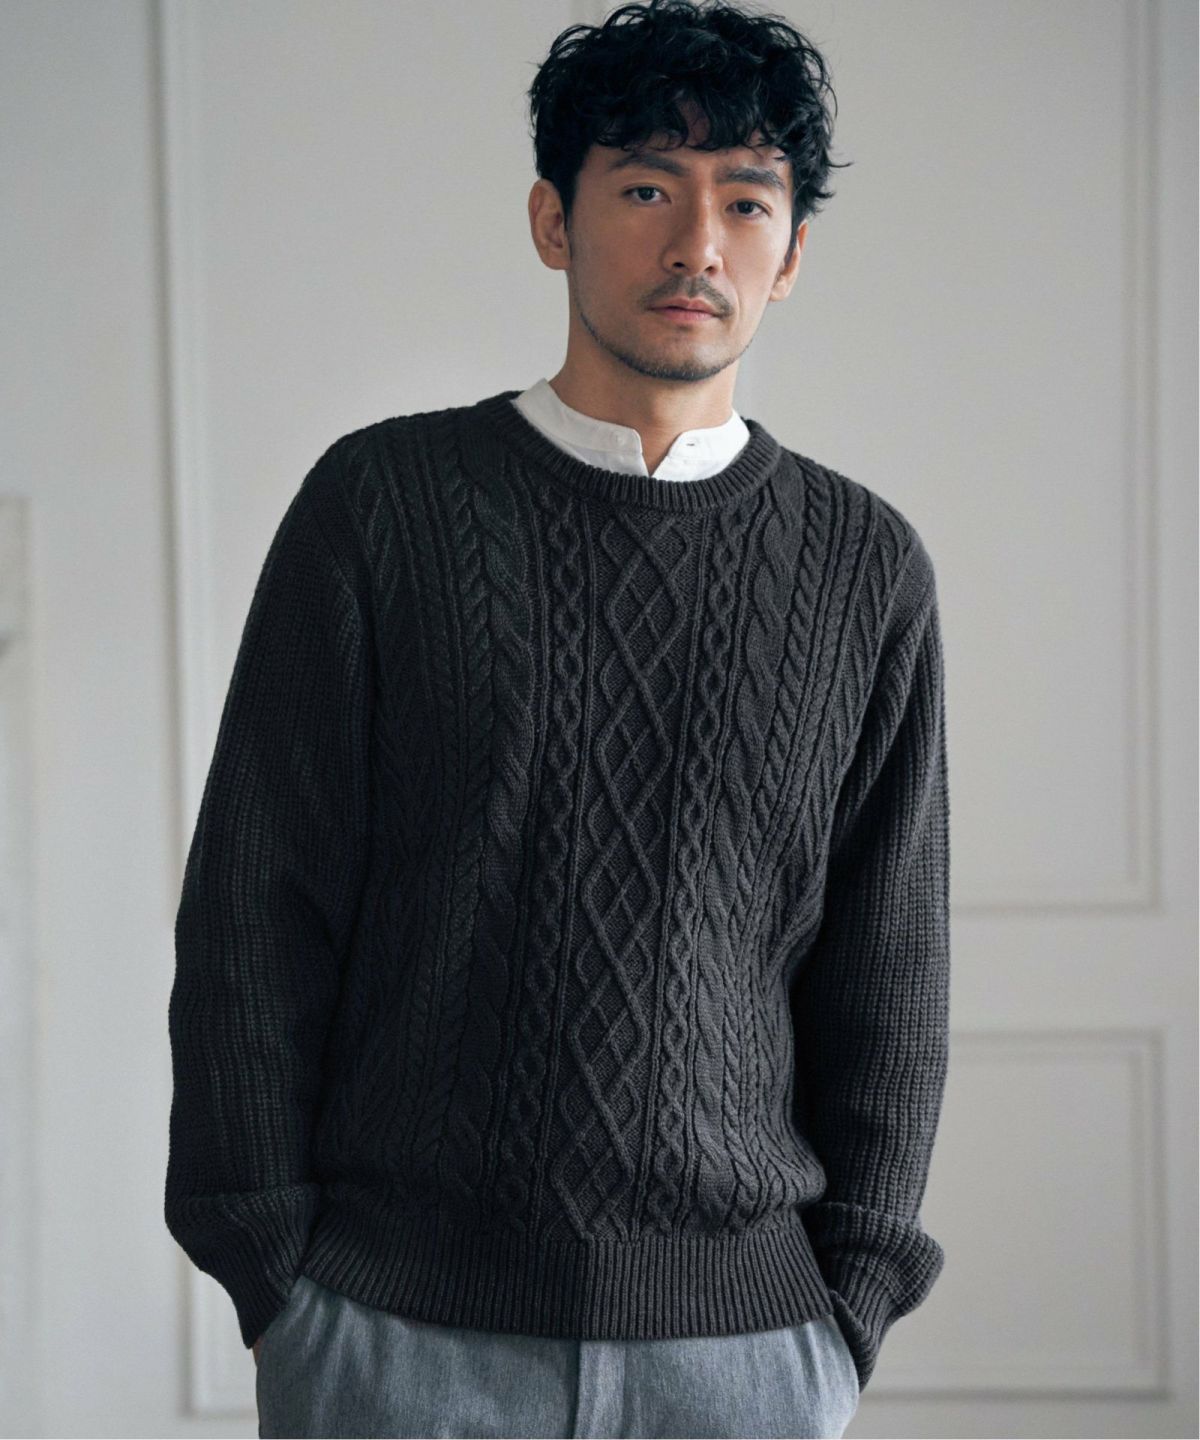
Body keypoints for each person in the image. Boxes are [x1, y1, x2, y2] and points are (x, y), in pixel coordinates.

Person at [164, 2, 951, 1435]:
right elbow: (253, 911)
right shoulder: (383, 510)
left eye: (747, 201)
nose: (698, 243)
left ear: (790, 255)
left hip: (746, 1354)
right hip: (394, 1340)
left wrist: (845, 1317)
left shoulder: (863, 568)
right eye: (646, 188)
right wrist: (274, 1271)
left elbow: (886, 974)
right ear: (552, 221)